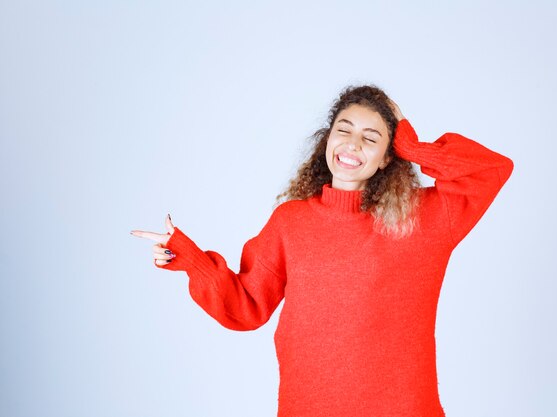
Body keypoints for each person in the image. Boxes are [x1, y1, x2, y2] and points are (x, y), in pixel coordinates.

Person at [130, 84, 514, 417]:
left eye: (371, 138)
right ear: (326, 140)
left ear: (388, 157)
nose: (352, 144)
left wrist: (411, 144)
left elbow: (490, 170)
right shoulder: (290, 222)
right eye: (343, 131)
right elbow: (245, 305)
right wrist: (192, 260)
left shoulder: (424, 218)